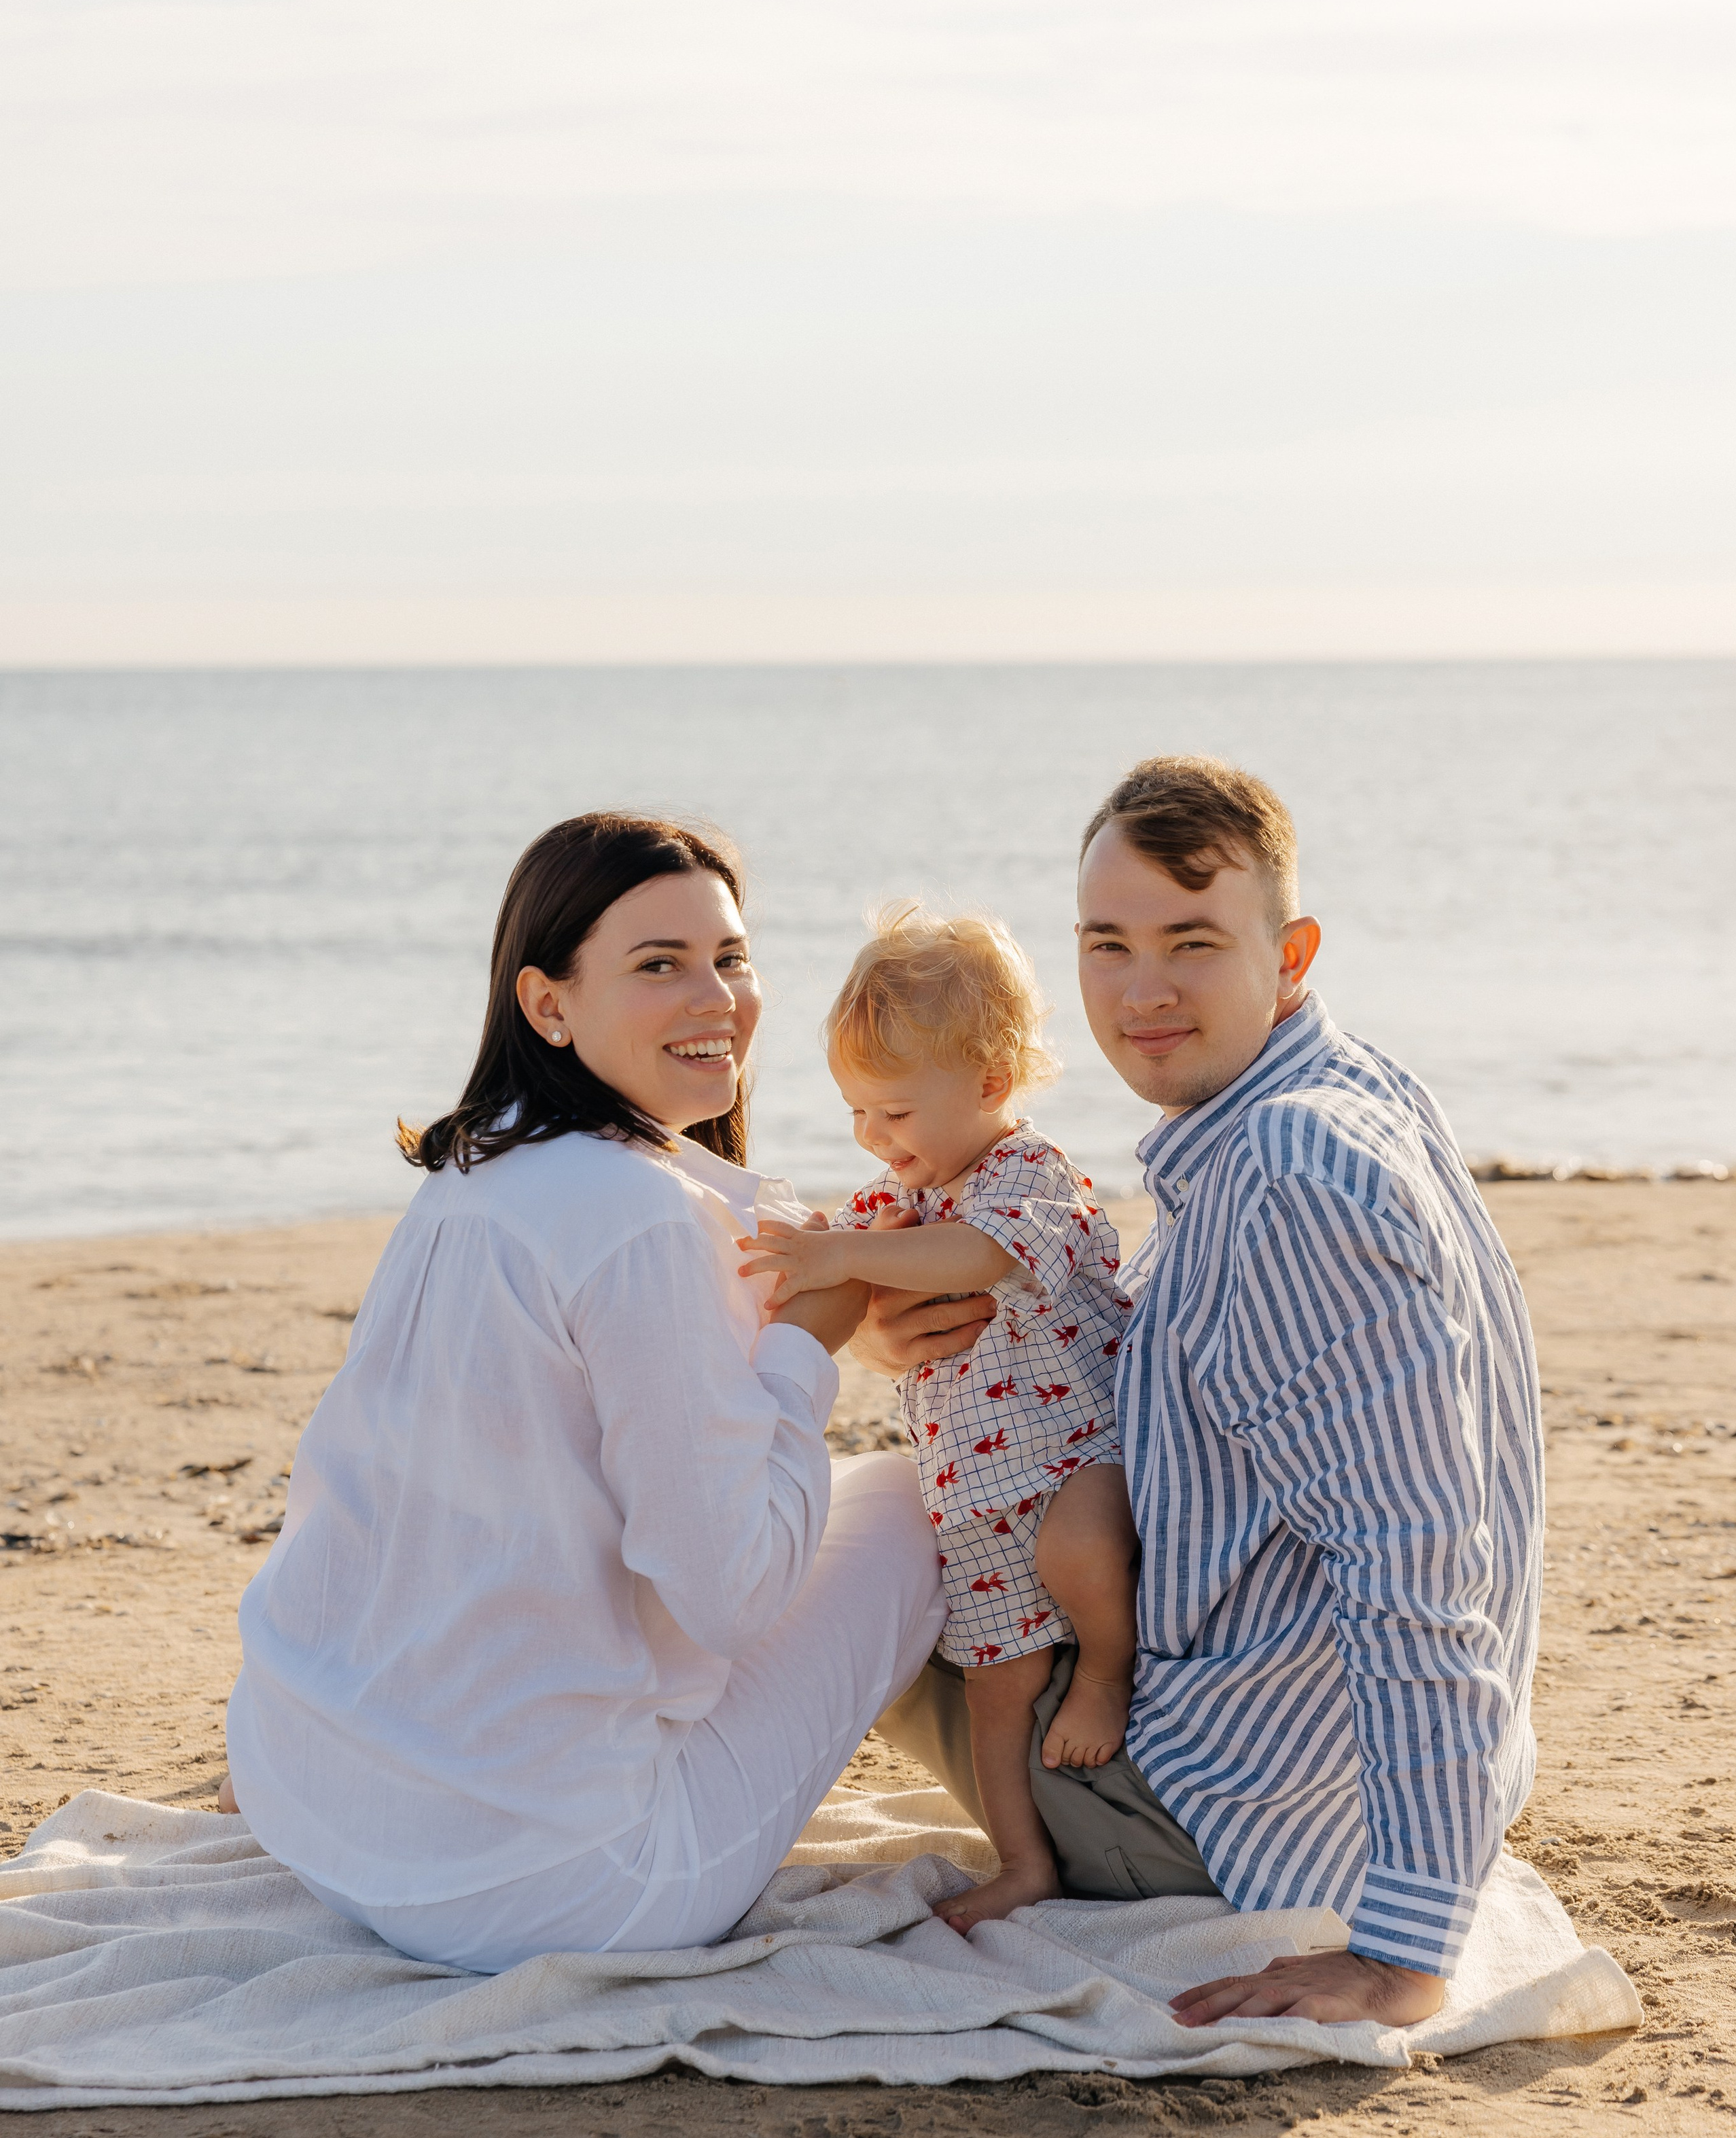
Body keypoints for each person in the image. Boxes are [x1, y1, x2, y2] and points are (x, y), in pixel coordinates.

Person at [868, 755, 1543, 2031]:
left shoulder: (1289, 1172)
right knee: (899, 1505)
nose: (1143, 990)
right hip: (1297, 1765)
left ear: (1288, 952)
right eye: (1108, 944)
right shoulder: (1338, 1090)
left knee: (827, 1547)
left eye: (1192, 942)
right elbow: (1223, 1391)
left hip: (1209, 1811)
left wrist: (1403, 1947)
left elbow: (1414, 1553)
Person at [221, 812, 943, 1973]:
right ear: (548, 1003)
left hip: (311, 1790)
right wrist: (808, 1347)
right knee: (911, 1502)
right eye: (659, 965)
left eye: (732, 958)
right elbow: (731, 1595)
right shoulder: (641, 1216)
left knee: (821, 1496)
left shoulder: (481, 1160)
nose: (718, 999)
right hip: (559, 1884)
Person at [740, 902, 1139, 1931]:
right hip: (974, 1502)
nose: (876, 1139)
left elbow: (975, 1257)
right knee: (993, 1697)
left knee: (1088, 1547)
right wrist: (805, 1267)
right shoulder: (892, 1201)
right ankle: (1023, 1862)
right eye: (856, 1115)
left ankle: (1105, 1668)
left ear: (992, 1086)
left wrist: (849, 1260)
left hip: (1071, 1459)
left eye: (897, 1114)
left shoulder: (1029, 1178)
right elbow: (837, 1269)